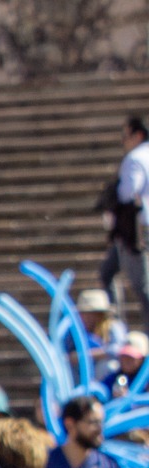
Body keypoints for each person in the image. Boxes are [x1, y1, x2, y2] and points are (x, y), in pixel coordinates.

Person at [99, 114, 149, 321]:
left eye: (125, 135)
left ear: (137, 135)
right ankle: (114, 324)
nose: (123, 140)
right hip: (139, 227)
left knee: (141, 284)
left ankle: (116, 326)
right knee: (108, 271)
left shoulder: (135, 158)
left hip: (136, 230)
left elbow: (128, 192)